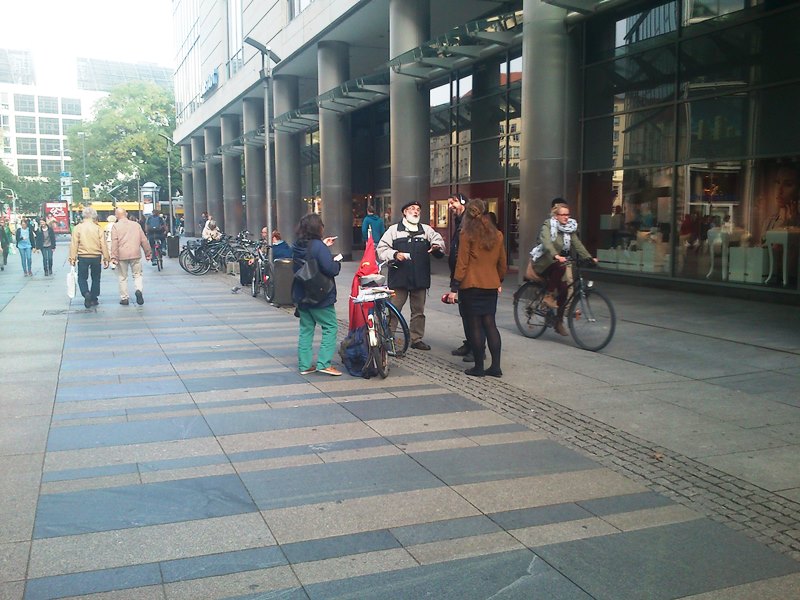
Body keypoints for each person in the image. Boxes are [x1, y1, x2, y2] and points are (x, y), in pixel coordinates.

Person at [377, 200, 445, 351]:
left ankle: (416, 338)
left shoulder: (426, 230)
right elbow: (381, 250)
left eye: (418, 209)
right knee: (393, 310)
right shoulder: (394, 230)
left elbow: (439, 241)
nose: (415, 211)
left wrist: (436, 246)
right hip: (399, 278)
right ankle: (387, 337)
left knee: (418, 312)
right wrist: (395, 254)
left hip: (420, 278)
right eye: (412, 209)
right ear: (405, 212)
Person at [454, 199, 506, 377]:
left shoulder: (466, 234)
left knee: (475, 324)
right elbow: (502, 263)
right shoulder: (497, 234)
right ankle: (496, 367)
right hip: (490, 285)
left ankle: (478, 367)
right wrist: (498, 279)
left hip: (471, 285)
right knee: (490, 324)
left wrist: (455, 284)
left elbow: (462, 262)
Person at [530, 202, 595, 336]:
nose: (566, 217)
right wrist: (556, 255)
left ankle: (558, 322)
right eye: (563, 214)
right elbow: (546, 242)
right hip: (544, 261)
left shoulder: (569, 228)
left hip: (559, 263)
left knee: (564, 291)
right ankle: (548, 296)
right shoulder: (548, 225)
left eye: (568, 214)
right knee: (560, 267)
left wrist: (589, 258)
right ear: (556, 215)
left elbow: (577, 244)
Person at [292, 213, 342, 376]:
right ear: (318, 228)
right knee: (330, 327)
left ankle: (305, 365)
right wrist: (336, 262)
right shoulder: (318, 246)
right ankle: (324, 363)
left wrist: (323, 245)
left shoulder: (297, 245)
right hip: (320, 295)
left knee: (306, 329)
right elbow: (330, 269)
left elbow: (309, 257)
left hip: (302, 293)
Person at [444, 193, 472, 361]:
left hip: (467, 276)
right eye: (449, 204)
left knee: (471, 314)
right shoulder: (459, 220)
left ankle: (476, 348)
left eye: (453, 203)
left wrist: (455, 286)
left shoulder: (468, 222)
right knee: (465, 313)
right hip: (460, 275)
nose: (450, 207)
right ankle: (470, 343)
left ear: (463, 202)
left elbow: (464, 255)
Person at [69, 206, 110, 308]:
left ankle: (86, 292)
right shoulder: (98, 228)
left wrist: (72, 258)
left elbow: (74, 244)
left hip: (83, 256)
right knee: (96, 277)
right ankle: (94, 297)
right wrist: (106, 258)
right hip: (96, 256)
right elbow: (103, 243)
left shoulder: (77, 228)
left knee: (82, 277)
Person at [111, 208, 152, 306]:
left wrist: (114, 257)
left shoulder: (115, 226)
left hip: (121, 255)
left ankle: (124, 298)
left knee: (122, 277)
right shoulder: (136, 225)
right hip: (135, 254)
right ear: (126, 214)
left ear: (116, 216)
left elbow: (114, 243)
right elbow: (143, 240)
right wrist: (148, 252)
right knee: (137, 275)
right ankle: (138, 290)